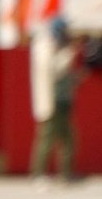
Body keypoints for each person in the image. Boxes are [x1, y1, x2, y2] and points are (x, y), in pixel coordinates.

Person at [30, 17, 83, 187]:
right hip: (53, 101)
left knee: (67, 139)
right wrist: (68, 53)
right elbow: (54, 70)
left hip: (64, 100)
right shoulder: (46, 47)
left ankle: (65, 174)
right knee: (47, 137)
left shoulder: (59, 48)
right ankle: (38, 174)